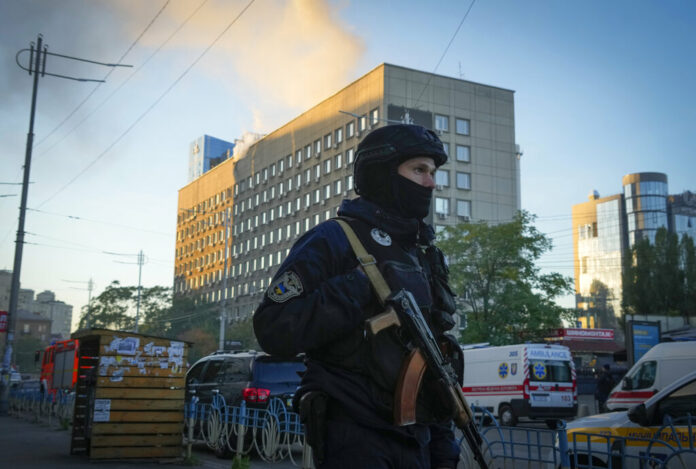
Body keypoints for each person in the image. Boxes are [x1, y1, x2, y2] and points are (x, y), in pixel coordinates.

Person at [253, 124, 462, 469]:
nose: (431, 182)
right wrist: (356, 287)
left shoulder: (423, 254)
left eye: (433, 172)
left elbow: (432, 355)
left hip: (418, 433)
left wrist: (442, 446)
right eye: (419, 170)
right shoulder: (333, 239)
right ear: (383, 174)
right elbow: (273, 327)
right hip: (354, 431)